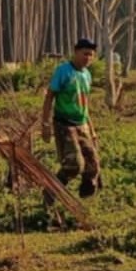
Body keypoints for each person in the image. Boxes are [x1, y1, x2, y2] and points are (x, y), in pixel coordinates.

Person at [41, 38, 103, 204]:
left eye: (91, 55)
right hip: (64, 124)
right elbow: (49, 97)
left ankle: (87, 204)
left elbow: (84, 104)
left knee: (93, 165)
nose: (88, 58)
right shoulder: (63, 71)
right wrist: (45, 124)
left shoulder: (87, 75)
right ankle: (51, 191)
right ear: (75, 53)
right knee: (74, 165)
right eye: (85, 54)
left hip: (81, 124)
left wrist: (92, 130)